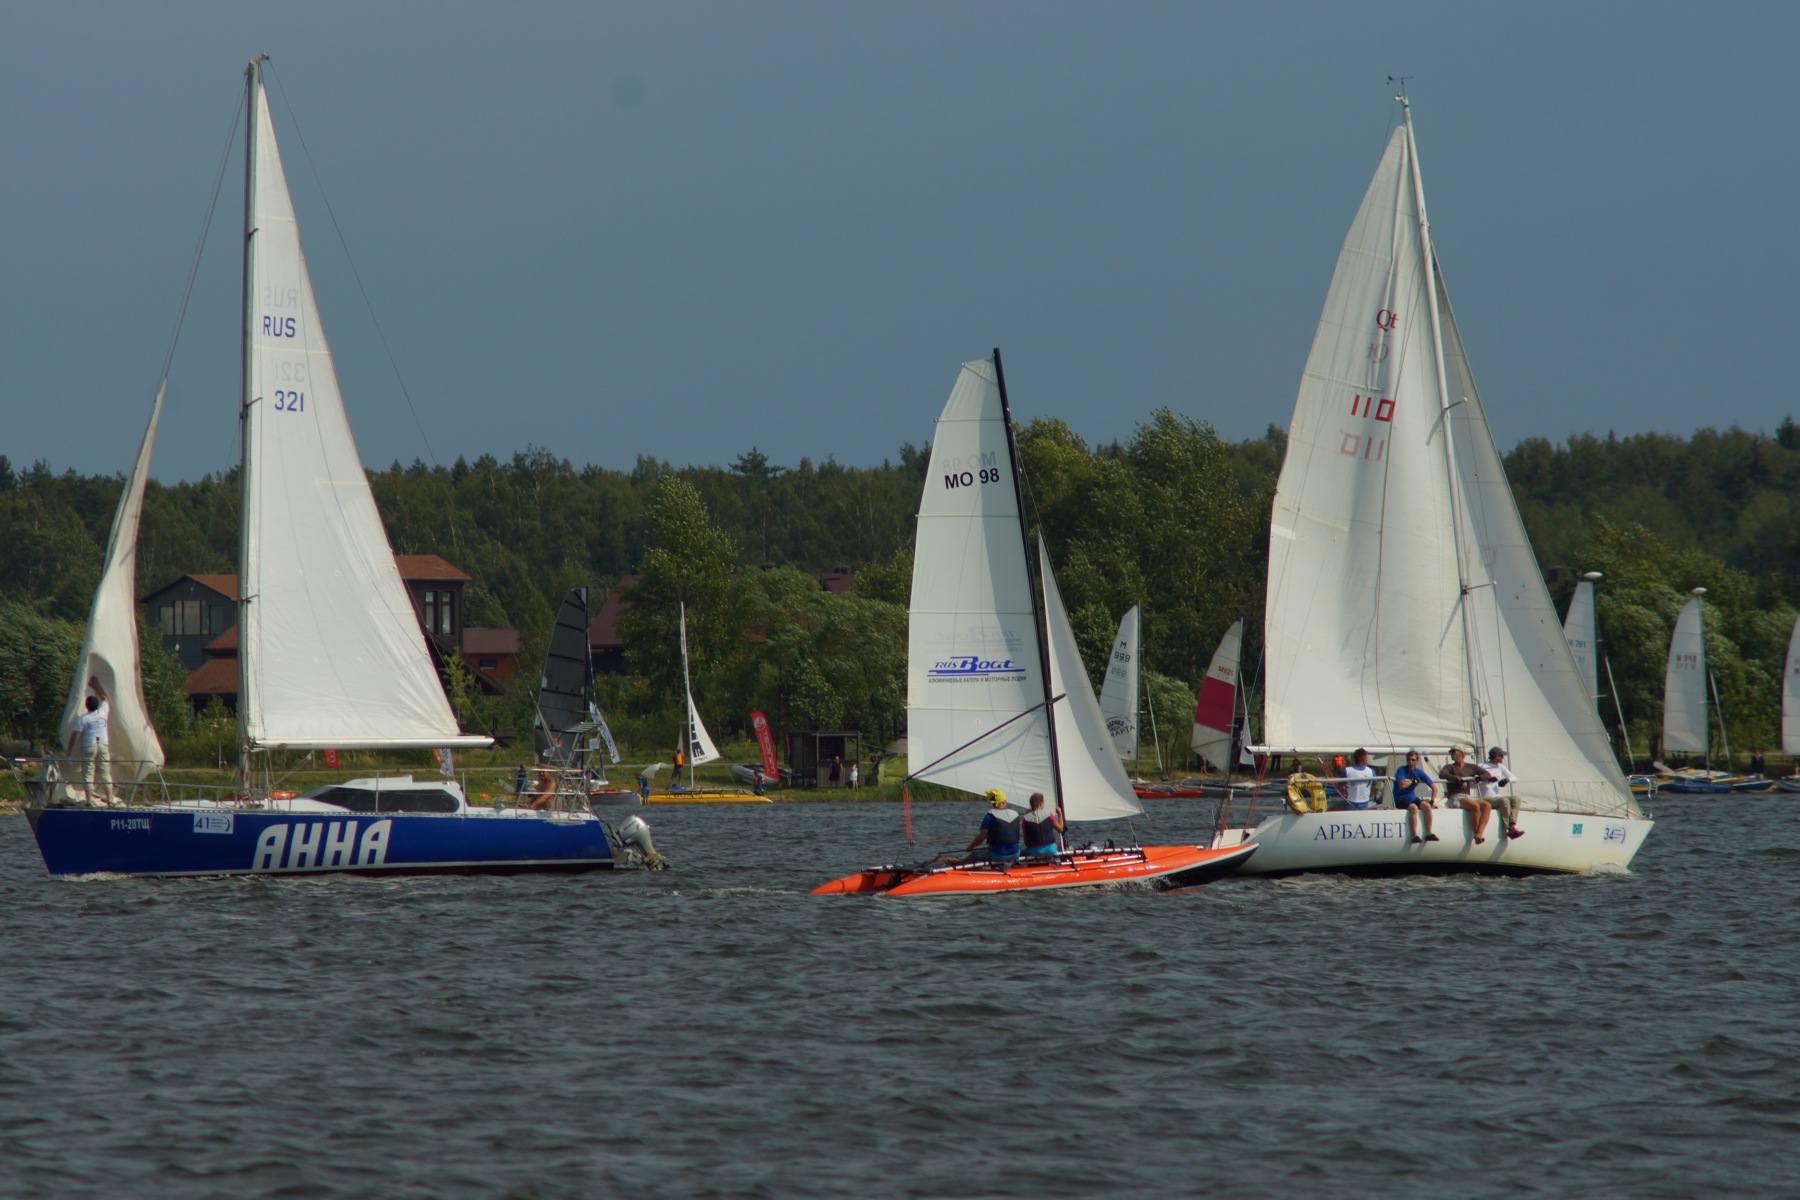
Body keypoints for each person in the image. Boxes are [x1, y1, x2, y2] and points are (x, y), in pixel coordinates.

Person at [65, 676, 118, 808]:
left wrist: (69, 750)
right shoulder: (102, 712)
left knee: (89, 772)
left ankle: (89, 800)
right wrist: (96, 686)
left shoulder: (83, 719)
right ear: (97, 705)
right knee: (105, 771)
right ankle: (110, 799)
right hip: (103, 745)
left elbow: (75, 735)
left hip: (89, 746)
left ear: (86, 707)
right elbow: (105, 698)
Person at [1440, 745, 1492, 843]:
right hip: (1455, 797)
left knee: (1487, 805)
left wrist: (1479, 777)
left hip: (1466, 796)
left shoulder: (1470, 767)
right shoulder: (1449, 767)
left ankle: (1479, 833)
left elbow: (1487, 774)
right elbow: (1442, 774)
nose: (1451, 753)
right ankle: (1477, 835)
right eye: (1450, 752)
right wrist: (1454, 778)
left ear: (1461, 753)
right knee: (1475, 806)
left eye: (1453, 751)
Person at [1392, 749, 1438, 844]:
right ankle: (1414, 835)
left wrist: (1432, 800)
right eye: (1408, 759)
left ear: (1417, 761)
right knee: (1413, 808)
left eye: (1413, 760)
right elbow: (1402, 785)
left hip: (1412, 798)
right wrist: (1413, 781)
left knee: (1427, 806)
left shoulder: (1419, 772)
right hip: (1400, 799)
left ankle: (1429, 833)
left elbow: (1434, 787)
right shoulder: (1401, 770)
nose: (1410, 762)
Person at [964, 789, 1022, 861]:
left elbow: (981, 837)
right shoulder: (1016, 814)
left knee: (974, 855)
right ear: (1003, 802)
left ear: (993, 803)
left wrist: (971, 846)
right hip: (1016, 853)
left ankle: (956, 863)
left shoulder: (989, 816)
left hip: (998, 855)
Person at [1480, 747, 1525, 840]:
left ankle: (1512, 825)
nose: (1503, 757)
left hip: (1496, 798)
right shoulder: (1481, 766)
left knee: (1516, 799)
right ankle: (1507, 828)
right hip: (1485, 798)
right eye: (1501, 755)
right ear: (1496, 756)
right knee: (1504, 800)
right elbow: (1473, 784)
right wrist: (1486, 781)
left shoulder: (1500, 767)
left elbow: (1515, 778)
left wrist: (1507, 780)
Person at [1020, 792, 1064, 857]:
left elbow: (1026, 842)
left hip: (1034, 852)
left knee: (1021, 853)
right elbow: (1060, 829)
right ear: (1041, 803)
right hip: (1051, 850)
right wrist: (1060, 814)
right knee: (1056, 846)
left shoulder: (1025, 818)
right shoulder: (1049, 815)